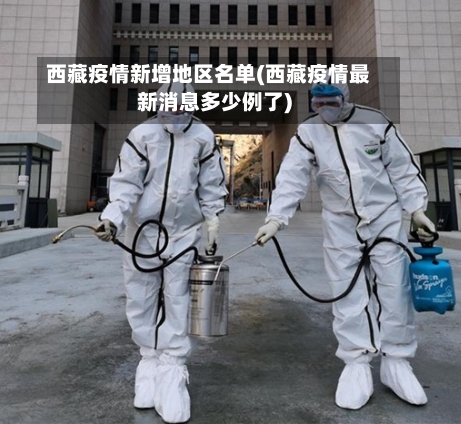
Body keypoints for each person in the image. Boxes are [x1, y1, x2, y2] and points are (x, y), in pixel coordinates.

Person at [255, 82, 436, 411]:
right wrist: (276, 219)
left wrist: (416, 209)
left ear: (345, 99)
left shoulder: (375, 122)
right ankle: (356, 363)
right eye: (318, 103)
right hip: (340, 222)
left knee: (395, 289)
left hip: (383, 216)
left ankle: (396, 361)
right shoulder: (308, 132)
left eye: (331, 102)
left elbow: (402, 168)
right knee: (346, 292)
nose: (325, 109)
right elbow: (292, 175)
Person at [95, 81, 227, 424]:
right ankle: (148, 365)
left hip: (183, 232)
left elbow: (211, 184)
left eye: (180, 111)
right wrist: (112, 218)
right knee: (140, 297)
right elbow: (126, 184)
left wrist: (212, 220)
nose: (173, 117)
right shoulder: (142, 135)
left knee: (178, 298)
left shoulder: (203, 137)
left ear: (191, 107)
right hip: (142, 231)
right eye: (168, 111)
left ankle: (172, 371)